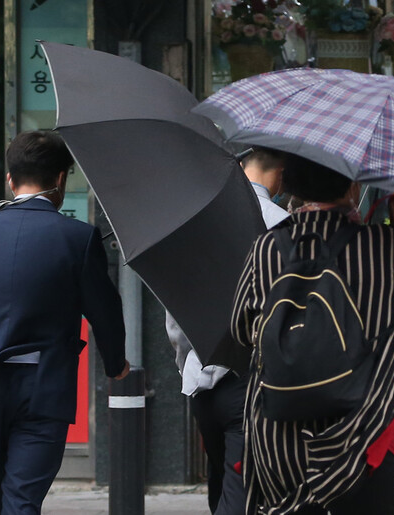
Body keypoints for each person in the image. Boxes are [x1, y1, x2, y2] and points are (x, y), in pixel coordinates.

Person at [230, 154, 394, 514]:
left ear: (290, 185)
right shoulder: (381, 246)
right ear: (353, 187)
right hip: (361, 430)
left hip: (278, 432)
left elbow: (241, 330)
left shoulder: (266, 248)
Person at [0, 130, 129, 515]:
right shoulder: (78, 237)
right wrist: (116, 364)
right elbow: (105, 311)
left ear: (10, 180)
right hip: (43, 385)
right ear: (62, 180)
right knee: (22, 498)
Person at [166, 147, 289, 515]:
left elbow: (177, 313)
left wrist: (186, 362)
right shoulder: (282, 225)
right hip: (253, 379)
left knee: (221, 484)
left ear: (238, 165)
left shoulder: (199, 219)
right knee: (243, 492)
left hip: (201, 377)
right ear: (280, 173)